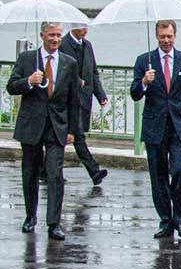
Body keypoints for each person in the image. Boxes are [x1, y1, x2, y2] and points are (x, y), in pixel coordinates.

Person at [7, 22, 82, 240]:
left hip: (57, 127)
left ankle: (54, 224)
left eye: (59, 35)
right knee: (30, 172)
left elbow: (73, 100)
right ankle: (30, 217)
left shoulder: (70, 63)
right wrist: (28, 81)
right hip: (31, 125)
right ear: (42, 36)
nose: (56, 39)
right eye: (51, 35)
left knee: (55, 174)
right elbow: (11, 86)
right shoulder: (28, 59)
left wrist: (73, 130)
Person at [131, 20, 181, 239]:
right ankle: (165, 220)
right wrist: (144, 81)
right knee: (158, 175)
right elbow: (134, 93)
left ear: (175, 36)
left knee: (179, 171)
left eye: (169, 36)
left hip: (179, 124)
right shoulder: (144, 61)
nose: (166, 40)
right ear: (157, 36)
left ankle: (180, 219)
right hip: (155, 125)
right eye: (162, 37)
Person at [59, 26, 109, 186]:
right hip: (65, 100)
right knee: (77, 135)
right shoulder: (62, 44)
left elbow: (93, 72)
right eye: (81, 27)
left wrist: (100, 94)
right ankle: (94, 171)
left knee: (68, 136)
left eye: (86, 27)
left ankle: (46, 170)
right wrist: (76, 81)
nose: (85, 30)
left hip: (82, 99)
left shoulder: (87, 46)